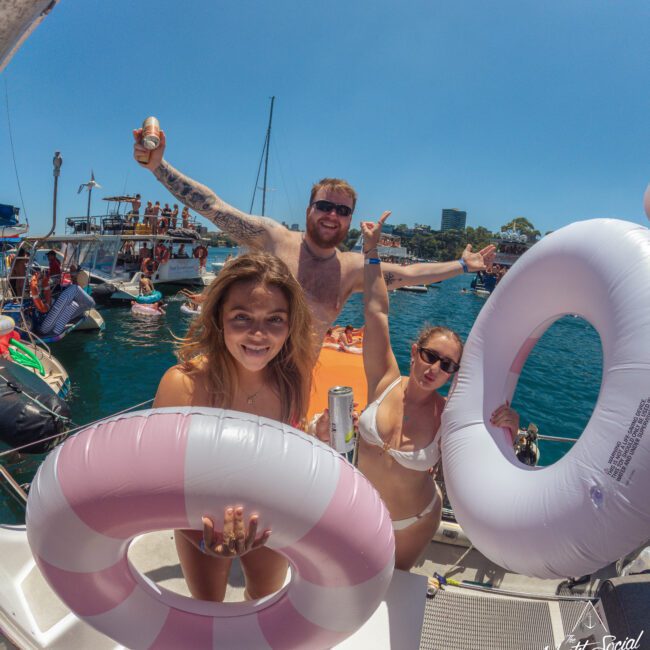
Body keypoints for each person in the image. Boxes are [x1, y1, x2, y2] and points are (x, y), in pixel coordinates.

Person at [133, 129, 495, 338]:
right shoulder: (273, 239)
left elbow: (412, 273)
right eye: (324, 206)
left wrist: (463, 266)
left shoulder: (352, 269)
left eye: (342, 210)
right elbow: (213, 207)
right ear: (308, 210)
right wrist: (159, 168)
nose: (331, 215)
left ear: (349, 220)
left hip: (293, 391)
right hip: (237, 376)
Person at [316, 214, 519, 570]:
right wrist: (371, 249)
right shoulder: (384, 380)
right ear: (414, 351)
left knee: (392, 595)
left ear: (453, 374)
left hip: (413, 522)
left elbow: (489, 457)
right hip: (355, 513)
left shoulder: (449, 416)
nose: (434, 369)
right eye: (429, 356)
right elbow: (377, 309)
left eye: (447, 366)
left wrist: (510, 425)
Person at [153, 252, 317, 601]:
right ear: (219, 320)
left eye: (275, 319)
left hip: (269, 511)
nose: (259, 334)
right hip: (200, 521)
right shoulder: (183, 385)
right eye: (242, 317)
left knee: (264, 599)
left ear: (290, 326)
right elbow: (159, 482)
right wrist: (201, 538)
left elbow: (291, 448)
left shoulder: (294, 380)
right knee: (208, 606)